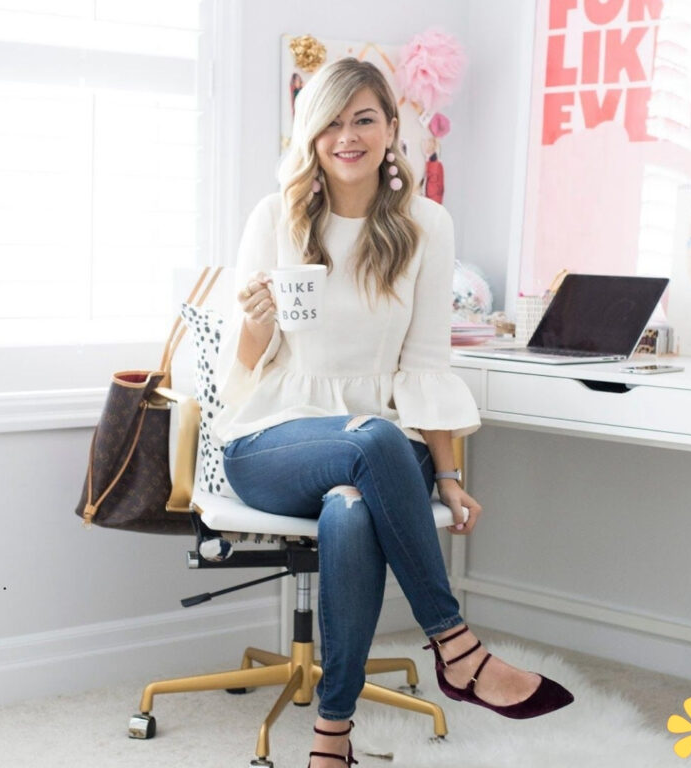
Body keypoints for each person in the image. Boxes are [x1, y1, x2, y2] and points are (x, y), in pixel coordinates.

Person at [212, 57, 573, 768]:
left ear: (390, 129)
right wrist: (254, 319)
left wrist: (447, 475)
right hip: (272, 439)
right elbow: (246, 365)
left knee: (351, 506)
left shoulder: (425, 226)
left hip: (378, 447)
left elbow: (426, 365)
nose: (348, 135)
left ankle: (331, 737)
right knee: (368, 440)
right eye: (332, 122)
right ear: (312, 136)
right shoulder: (274, 217)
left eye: (364, 118)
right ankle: (457, 648)